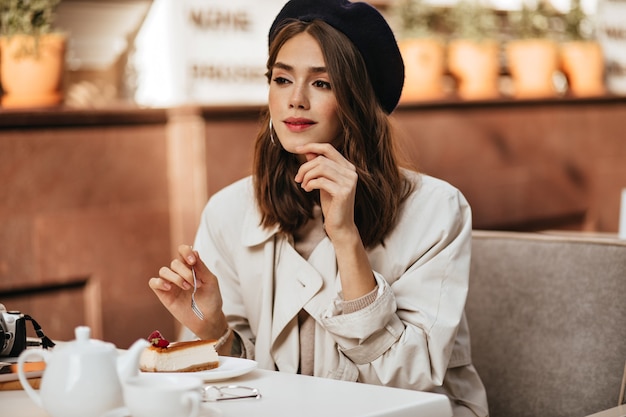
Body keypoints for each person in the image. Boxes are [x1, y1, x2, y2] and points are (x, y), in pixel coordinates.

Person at [149, 0, 489, 415]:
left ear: (358, 102)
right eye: (281, 79)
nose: (295, 99)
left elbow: (408, 381)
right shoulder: (229, 210)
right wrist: (215, 329)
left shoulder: (436, 209)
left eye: (321, 84)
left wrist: (345, 237)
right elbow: (251, 386)